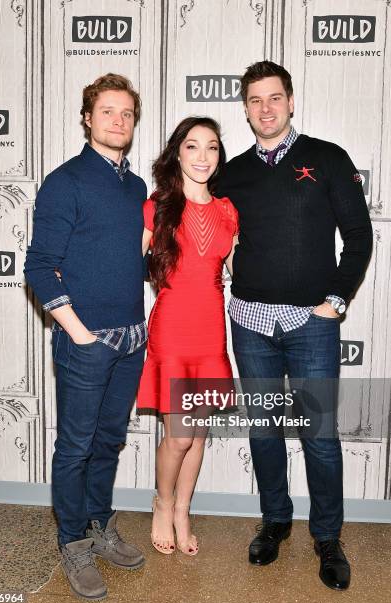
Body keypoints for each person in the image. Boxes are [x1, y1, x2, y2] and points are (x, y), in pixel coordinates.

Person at [216, 60, 373, 590]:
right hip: (250, 322)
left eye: (274, 98)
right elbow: (205, 225)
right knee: (264, 429)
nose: (266, 108)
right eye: (255, 100)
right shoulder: (232, 171)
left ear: (289, 101)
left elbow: (359, 234)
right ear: (245, 108)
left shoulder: (327, 158)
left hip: (312, 323)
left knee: (319, 436)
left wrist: (336, 299)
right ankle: (275, 520)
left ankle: (327, 537)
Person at [24, 74, 147, 601]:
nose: (118, 122)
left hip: (133, 341)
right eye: (108, 112)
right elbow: (40, 266)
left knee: (108, 441)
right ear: (87, 118)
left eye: (127, 114)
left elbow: (128, 258)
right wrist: (79, 334)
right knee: (75, 447)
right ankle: (72, 542)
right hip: (86, 342)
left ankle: (99, 526)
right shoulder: (65, 181)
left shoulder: (135, 186)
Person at [137, 117, 238, 556]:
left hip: (210, 330)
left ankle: (183, 510)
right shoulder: (156, 206)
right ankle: (162, 504)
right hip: (173, 330)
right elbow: (125, 267)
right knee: (179, 435)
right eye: (192, 147)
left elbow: (241, 273)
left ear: (219, 157)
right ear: (177, 153)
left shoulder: (229, 211)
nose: (202, 157)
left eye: (211, 148)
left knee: (197, 435)